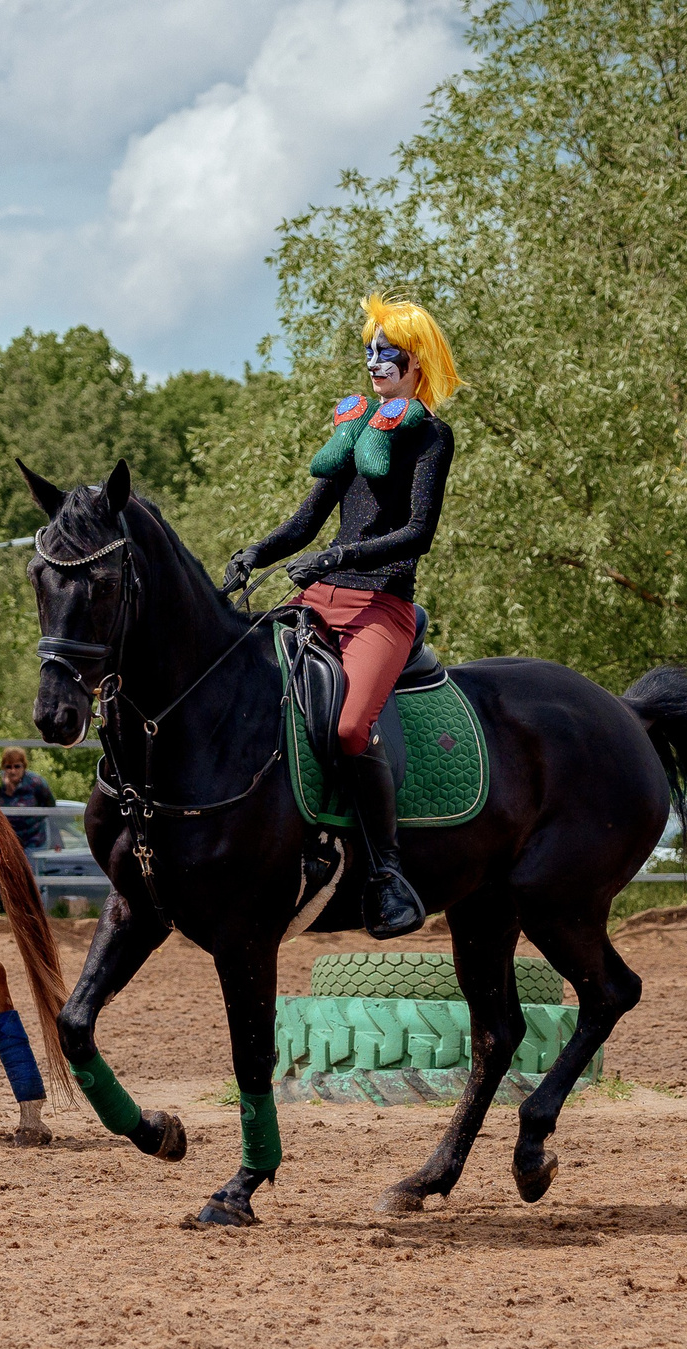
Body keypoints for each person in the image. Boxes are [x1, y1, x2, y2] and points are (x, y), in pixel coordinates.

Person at [222, 295, 458, 939]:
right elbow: (305, 522)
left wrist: (342, 554)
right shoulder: (355, 432)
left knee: (352, 726)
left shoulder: (432, 436)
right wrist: (254, 554)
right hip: (318, 595)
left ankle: (387, 874)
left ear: (418, 364)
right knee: (251, 685)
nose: (378, 362)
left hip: (383, 604)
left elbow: (418, 533)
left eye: (391, 353)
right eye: (371, 352)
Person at [0, 747, 58, 852]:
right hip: (8, 841)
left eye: (17, 766)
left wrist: (33, 818)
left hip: (34, 840)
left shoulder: (36, 782)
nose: (13, 771)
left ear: (24, 766)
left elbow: (50, 805)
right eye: (8, 767)